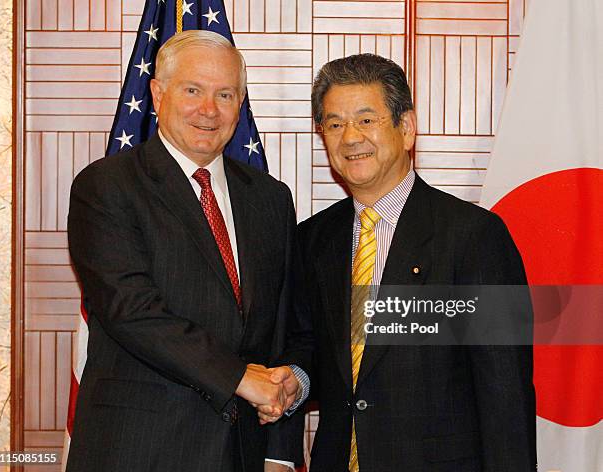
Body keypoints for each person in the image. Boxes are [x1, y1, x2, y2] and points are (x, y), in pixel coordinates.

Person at [66, 30, 309, 472]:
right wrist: (239, 378)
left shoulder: (271, 199)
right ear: (158, 94)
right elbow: (131, 310)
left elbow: (283, 328)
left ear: (241, 104)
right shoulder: (106, 186)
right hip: (139, 451)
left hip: (243, 453)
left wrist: (282, 438)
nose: (208, 110)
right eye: (193, 90)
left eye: (225, 94)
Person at [293, 54, 536, 471]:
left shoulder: (475, 236)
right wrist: (291, 380)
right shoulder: (313, 239)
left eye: (366, 120)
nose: (350, 138)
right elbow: (311, 349)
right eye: (334, 124)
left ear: (405, 129)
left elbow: (505, 392)